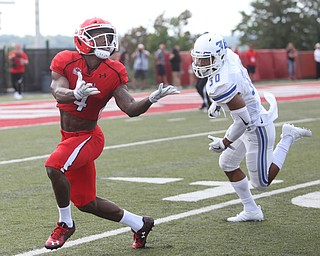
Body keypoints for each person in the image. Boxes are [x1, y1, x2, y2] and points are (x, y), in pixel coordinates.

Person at [44, 17, 179, 250]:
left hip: (88, 136)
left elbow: (130, 108)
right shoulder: (66, 60)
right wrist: (75, 94)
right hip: (68, 137)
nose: (107, 41)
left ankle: (65, 224)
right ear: (84, 39)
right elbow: (57, 90)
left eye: (109, 36)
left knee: (54, 167)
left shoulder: (114, 70)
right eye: (100, 36)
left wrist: (151, 99)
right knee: (87, 202)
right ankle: (139, 223)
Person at [191, 32, 312, 222]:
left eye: (205, 60)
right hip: (247, 121)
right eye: (197, 59)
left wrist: (224, 142)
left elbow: (243, 121)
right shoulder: (229, 56)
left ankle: (287, 136)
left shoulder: (222, 84)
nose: (199, 64)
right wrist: (217, 104)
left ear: (218, 56)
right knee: (227, 163)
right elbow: (240, 88)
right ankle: (252, 210)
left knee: (262, 183)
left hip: (257, 127)